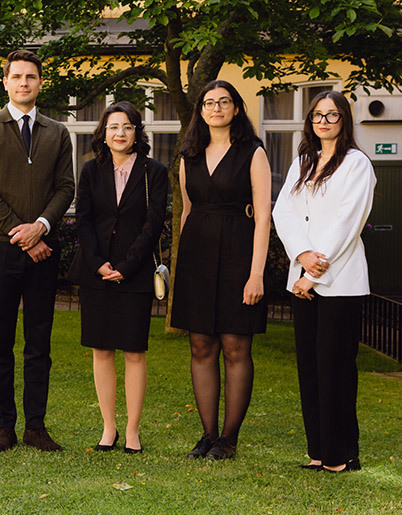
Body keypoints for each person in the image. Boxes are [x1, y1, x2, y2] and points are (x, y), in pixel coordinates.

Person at [0, 49, 75, 453]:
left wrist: (41, 228)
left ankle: (36, 425)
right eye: (17, 77)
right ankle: (4, 425)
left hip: (45, 248)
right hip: (1, 248)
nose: (24, 83)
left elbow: (65, 187)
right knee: (0, 341)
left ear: (40, 83)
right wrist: (23, 235)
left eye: (31, 77)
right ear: (6, 82)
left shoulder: (57, 131)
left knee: (39, 340)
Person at [272, 91, 375, 473]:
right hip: (302, 279)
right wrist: (300, 257)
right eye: (318, 115)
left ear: (344, 120)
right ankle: (318, 451)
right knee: (310, 369)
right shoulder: (303, 162)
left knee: (336, 368)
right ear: (310, 121)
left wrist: (313, 275)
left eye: (332, 115)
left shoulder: (357, 164)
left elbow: (347, 224)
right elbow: (283, 212)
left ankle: (342, 454)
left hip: (340, 283)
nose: (324, 121)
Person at [171, 80, 271, 460]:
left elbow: (263, 217)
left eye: (223, 102)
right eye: (209, 103)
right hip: (197, 255)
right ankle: (208, 435)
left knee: (235, 345)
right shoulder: (190, 154)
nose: (216, 108)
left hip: (238, 254)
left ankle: (229, 439)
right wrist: (181, 269)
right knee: (201, 346)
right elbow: (188, 211)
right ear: (201, 110)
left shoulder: (252, 151)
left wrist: (256, 273)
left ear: (235, 108)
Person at [68, 101, 169, 454]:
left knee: (134, 352)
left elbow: (153, 223)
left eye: (127, 127)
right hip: (97, 273)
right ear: (104, 134)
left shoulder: (153, 172)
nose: (120, 134)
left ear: (136, 132)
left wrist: (126, 265)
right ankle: (108, 428)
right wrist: (98, 263)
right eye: (113, 127)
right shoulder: (91, 170)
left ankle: (132, 431)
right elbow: (83, 220)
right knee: (101, 350)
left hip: (135, 274)